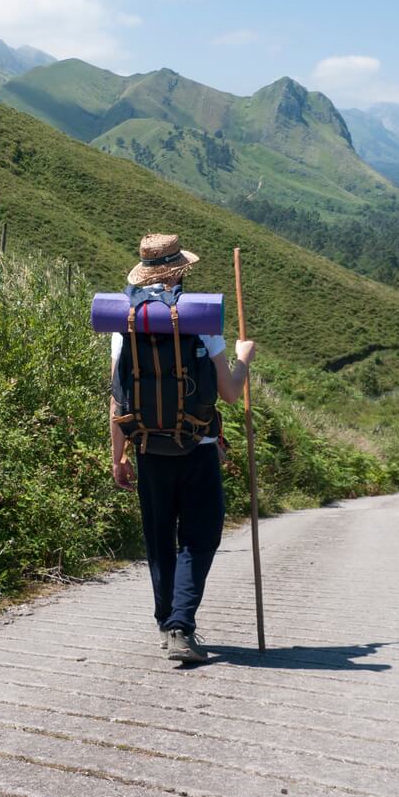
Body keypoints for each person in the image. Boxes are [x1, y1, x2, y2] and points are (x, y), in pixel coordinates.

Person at [110, 233, 255, 664]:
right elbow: (229, 392)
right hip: (198, 446)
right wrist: (244, 357)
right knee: (200, 537)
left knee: (159, 539)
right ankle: (180, 626)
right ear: (180, 271)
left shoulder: (126, 320)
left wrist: (117, 455)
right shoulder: (198, 317)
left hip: (148, 447)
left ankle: (165, 620)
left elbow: (119, 397)